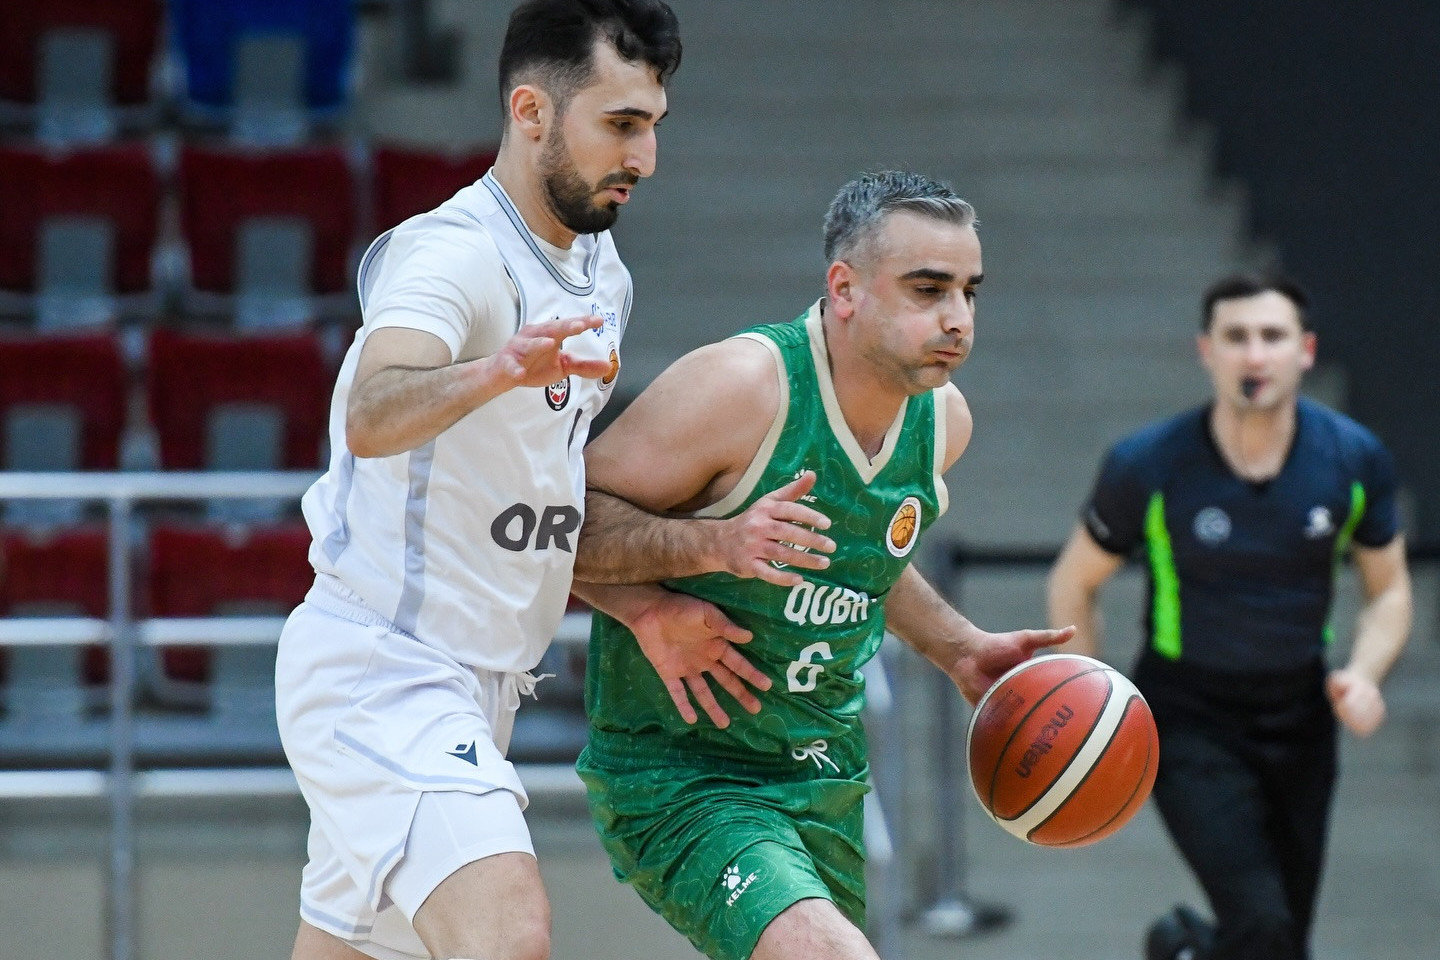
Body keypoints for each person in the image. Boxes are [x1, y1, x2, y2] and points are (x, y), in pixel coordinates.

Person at [567, 170, 1075, 960]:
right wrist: (663, 592)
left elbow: (862, 560)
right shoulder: (741, 388)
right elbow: (555, 524)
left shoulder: (943, 423)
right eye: (928, 289)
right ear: (844, 289)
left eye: (969, 292)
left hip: (821, 769)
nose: (957, 318)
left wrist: (957, 648)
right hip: (684, 769)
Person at [271, 4, 690, 959]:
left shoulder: (602, 271)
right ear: (531, 111)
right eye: (621, 124)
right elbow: (372, 410)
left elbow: (534, 498)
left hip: (479, 686)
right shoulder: (454, 252)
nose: (645, 157)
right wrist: (496, 371)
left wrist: (639, 605)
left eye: (654, 125)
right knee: (507, 931)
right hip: (385, 667)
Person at [1045, 272, 1413, 960]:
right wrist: (1093, 704)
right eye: (1236, 337)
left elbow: (1389, 590)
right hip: (1188, 721)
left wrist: (1364, 674)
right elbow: (1074, 584)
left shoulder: (1353, 459)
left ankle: (1184, 948)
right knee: (1262, 923)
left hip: (1301, 717)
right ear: (1206, 351)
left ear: (1305, 350)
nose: (1255, 354)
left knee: (1282, 942)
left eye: (1272, 336)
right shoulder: (1148, 464)